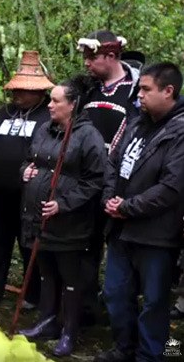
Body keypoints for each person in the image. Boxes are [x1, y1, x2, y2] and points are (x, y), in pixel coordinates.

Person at [95, 63, 184, 362]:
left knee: (154, 302)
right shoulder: (136, 123)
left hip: (156, 234)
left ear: (168, 91)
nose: (139, 96)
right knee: (116, 294)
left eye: (146, 89)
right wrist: (110, 198)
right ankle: (124, 347)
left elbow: (172, 187)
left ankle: (151, 355)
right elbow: (113, 162)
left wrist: (128, 207)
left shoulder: (180, 130)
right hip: (121, 229)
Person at [18, 75, 106, 357]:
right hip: (37, 218)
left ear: (73, 104)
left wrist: (63, 204)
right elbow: (30, 159)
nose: (50, 105)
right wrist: (26, 171)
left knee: (70, 278)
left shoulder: (88, 136)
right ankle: (47, 322)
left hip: (70, 223)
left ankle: (69, 330)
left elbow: (94, 180)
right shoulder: (45, 128)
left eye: (56, 101)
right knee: (46, 274)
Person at [0, 51, 52, 310]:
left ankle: (32, 295)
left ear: (38, 92)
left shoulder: (48, 116)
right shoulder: (3, 112)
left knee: (29, 245)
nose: (17, 95)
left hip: (29, 194)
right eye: (15, 89)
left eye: (24, 91)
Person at [76, 30, 142, 324]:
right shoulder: (88, 90)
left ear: (111, 56)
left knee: (122, 251)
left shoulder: (137, 90)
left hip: (120, 185)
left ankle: (126, 318)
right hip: (83, 182)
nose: (87, 63)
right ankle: (85, 309)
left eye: (92, 57)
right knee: (84, 246)